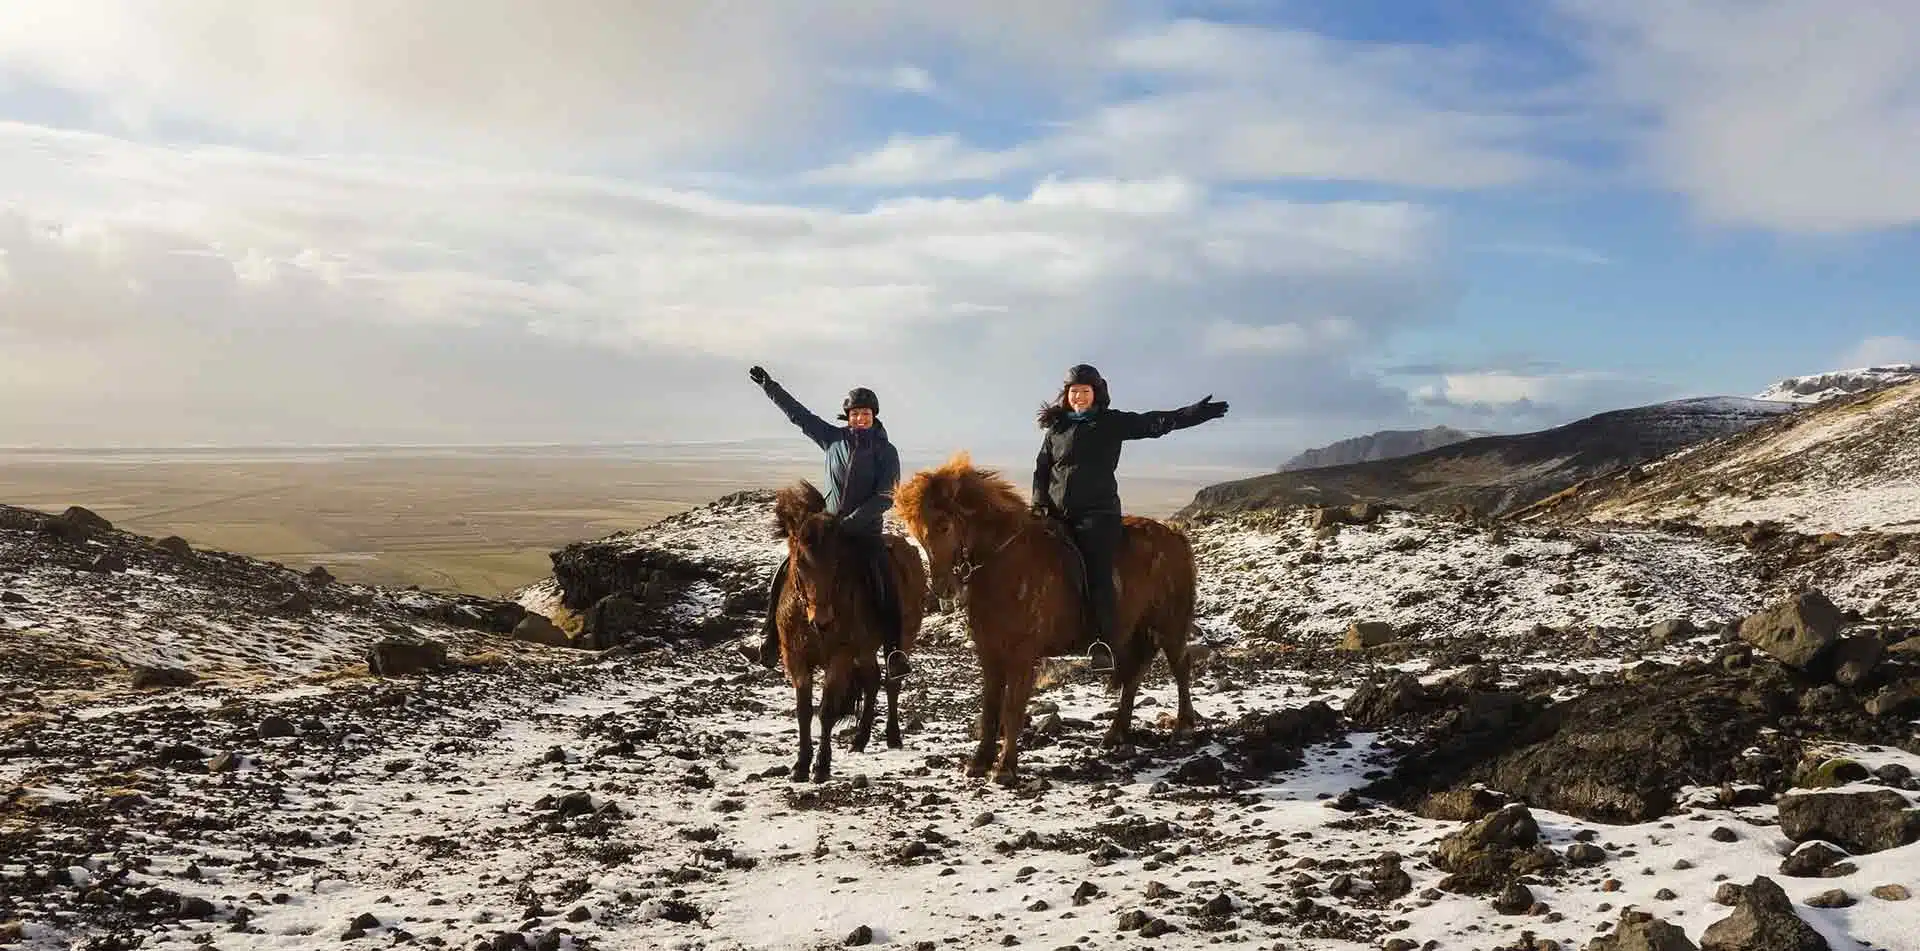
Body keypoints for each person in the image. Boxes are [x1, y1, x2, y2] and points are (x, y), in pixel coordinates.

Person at [1031, 364, 1228, 670]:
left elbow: (1153, 423)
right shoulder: (1056, 429)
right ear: (1066, 395)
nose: (1079, 397)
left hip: (1097, 515)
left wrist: (1193, 414)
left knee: (1097, 570)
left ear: (1097, 393)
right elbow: (1042, 469)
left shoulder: (1111, 423)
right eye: (1074, 392)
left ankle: (1102, 641)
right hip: (1055, 514)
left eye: (1085, 391)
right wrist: (1039, 503)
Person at [746, 364, 909, 683]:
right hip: (830, 535)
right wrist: (769, 386)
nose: (860, 418)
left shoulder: (886, 452)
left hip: (864, 534)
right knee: (786, 570)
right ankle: (767, 642)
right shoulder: (833, 439)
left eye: (866, 413)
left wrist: (851, 522)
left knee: (884, 581)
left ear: (874, 416)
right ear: (847, 416)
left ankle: (893, 653)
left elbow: (886, 496)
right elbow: (799, 415)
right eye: (855, 413)